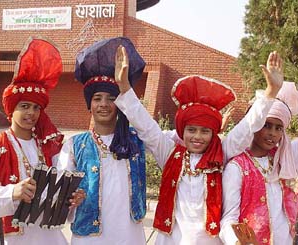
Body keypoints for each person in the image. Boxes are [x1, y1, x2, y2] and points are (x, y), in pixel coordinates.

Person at [114, 46, 283, 244]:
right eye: (191, 130)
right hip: (171, 239)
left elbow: (247, 127)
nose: (198, 136)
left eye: (205, 131)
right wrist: (124, 86)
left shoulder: (222, 154)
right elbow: (146, 126)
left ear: (214, 133)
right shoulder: (169, 154)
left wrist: (271, 92)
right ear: (182, 131)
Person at [57, 37, 147, 245]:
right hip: (89, 238)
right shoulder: (74, 146)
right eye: (97, 98)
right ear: (90, 104)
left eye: (111, 98)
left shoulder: (136, 140)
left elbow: (161, 136)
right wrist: (71, 199)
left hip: (129, 236)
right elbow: (60, 195)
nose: (104, 104)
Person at [0, 37, 76, 245]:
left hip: (50, 237)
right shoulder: (0, 144)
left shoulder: (49, 147)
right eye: (24, 106)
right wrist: (11, 192)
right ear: (10, 109)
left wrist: (73, 199)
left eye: (36, 107)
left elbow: (61, 196)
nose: (31, 113)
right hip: (15, 239)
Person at [219, 74, 298, 243]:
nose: (272, 133)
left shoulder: (283, 160)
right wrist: (236, 241)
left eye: (278, 128)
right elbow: (228, 218)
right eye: (266, 125)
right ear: (255, 126)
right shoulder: (237, 167)